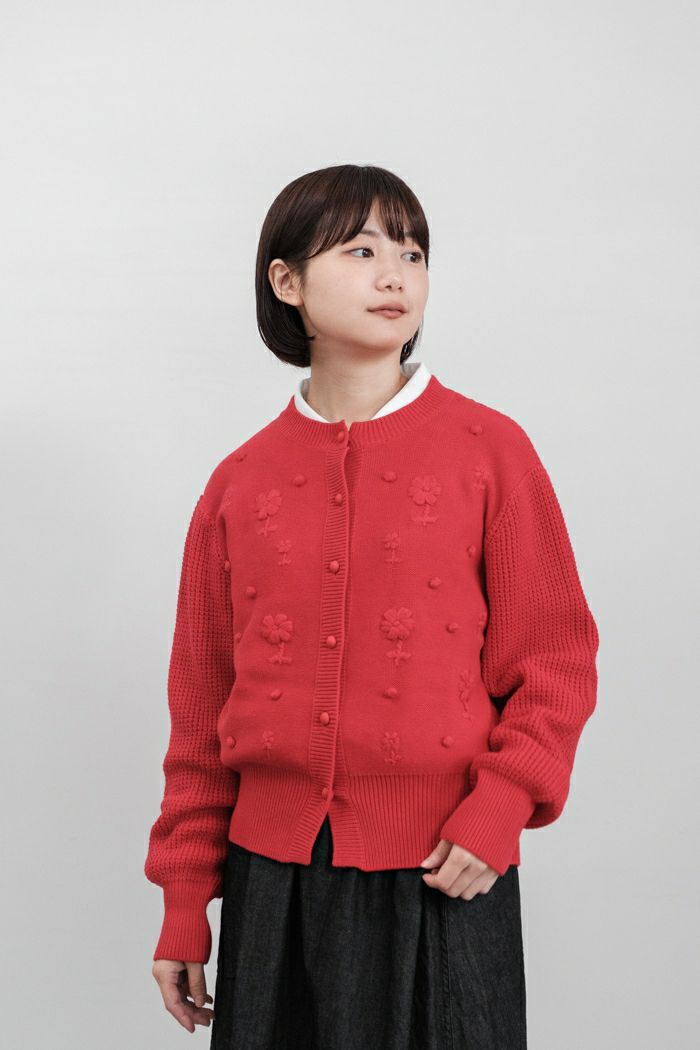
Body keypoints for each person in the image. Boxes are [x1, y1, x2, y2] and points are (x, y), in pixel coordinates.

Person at [144, 163, 600, 1049]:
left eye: (412, 253)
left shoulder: (491, 452)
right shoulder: (238, 484)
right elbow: (200, 710)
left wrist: (501, 809)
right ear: (287, 282)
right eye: (361, 251)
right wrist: (185, 900)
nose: (395, 274)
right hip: (272, 885)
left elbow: (554, 660)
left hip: (444, 868)